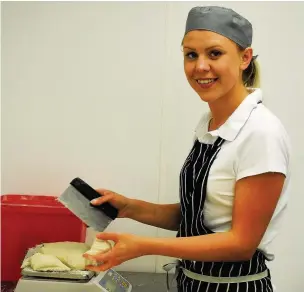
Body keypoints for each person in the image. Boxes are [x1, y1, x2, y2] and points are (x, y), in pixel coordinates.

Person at [83, 6, 291, 292]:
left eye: (214, 53)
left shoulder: (261, 133)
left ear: (244, 58)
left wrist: (143, 246)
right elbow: (199, 218)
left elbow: (241, 243)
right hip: (193, 283)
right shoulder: (209, 125)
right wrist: (130, 207)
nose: (200, 66)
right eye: (191, 54)